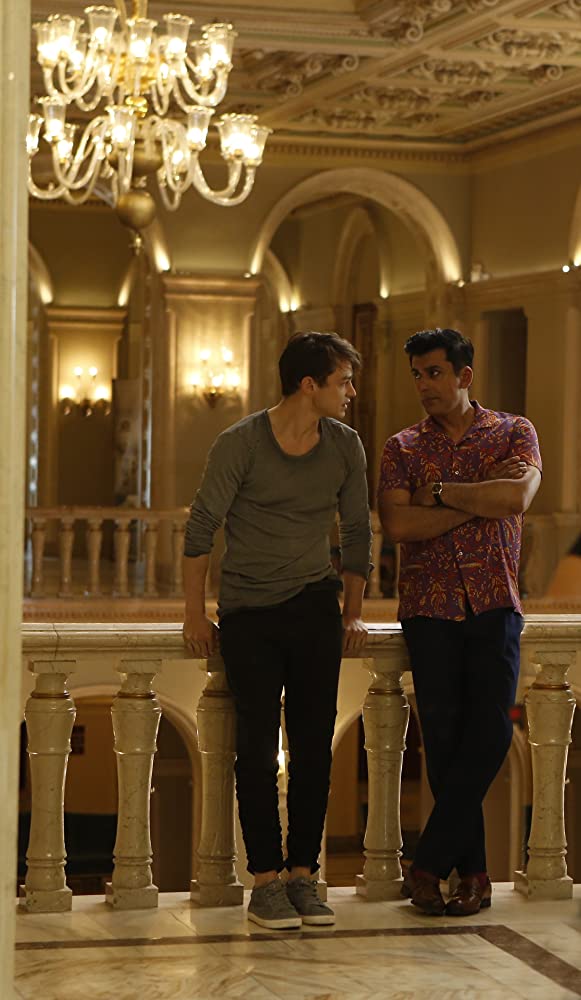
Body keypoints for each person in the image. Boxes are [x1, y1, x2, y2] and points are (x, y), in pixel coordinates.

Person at [183, 331, 372, 929]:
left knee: (314, 748)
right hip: (249, 613)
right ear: (309, 385)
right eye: (343, 381)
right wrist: (194, 613)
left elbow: (358, 532)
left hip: (314, 607)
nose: (351, 392)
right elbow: (201, 527)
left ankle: (302, 876)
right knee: (258, 749)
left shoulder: (345, 445)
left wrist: (353, 610)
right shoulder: (239, 443)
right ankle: (264, 881)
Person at [378, 327, 541, 917]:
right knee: (444, 744)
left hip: (494, 601)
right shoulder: (401, 448)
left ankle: (427, 863)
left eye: (435, 372)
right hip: (429, 607)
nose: (424, 385)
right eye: (417, 374)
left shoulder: (514, 432)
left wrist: (441, 493)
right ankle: (472, 876)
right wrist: (477, 501)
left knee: (492, 731)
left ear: (464, 375)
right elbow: (399, 527)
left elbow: (515, 500)